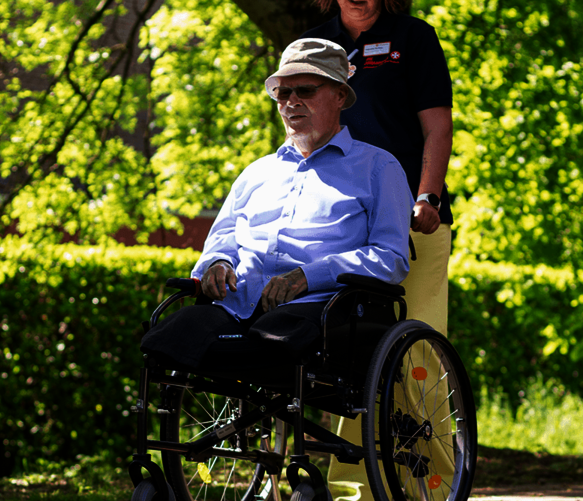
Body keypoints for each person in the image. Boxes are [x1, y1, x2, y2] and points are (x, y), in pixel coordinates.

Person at [306, 0, 455, 501]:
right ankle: (351, 499)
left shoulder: (412, 41)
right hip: (345, 226)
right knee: (344, 360)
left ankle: (433, 491)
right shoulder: (319, 48)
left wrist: (428, 196)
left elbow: (437, 131)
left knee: (417, 362)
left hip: (412, 222)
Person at [142, 37, 413, 369]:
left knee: (273, 342)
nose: (291, 101)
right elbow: (224, 236)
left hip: (320, 308)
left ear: (340, 95)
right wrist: (217, 262)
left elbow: (391, 258)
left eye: (305, 90)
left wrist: (308, 276)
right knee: (165, 338)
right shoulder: (257, 172)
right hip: (237, 305)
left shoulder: (379, 168)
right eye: (283, 93)